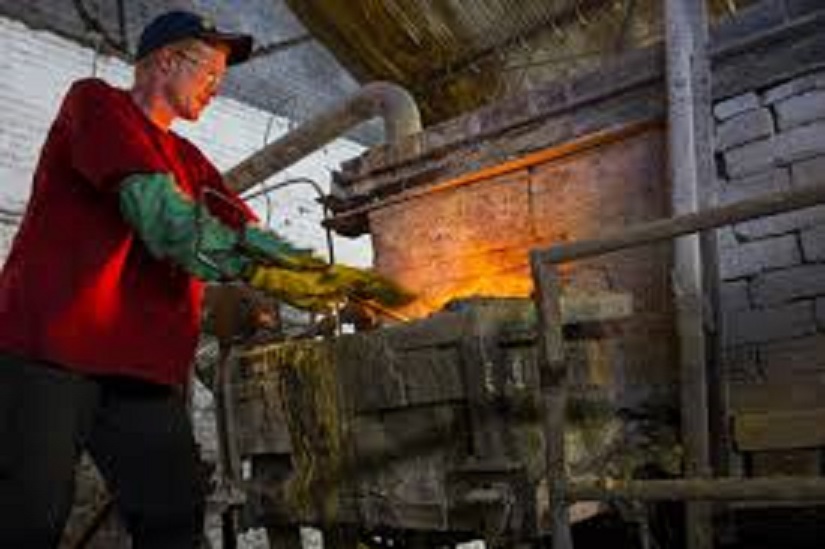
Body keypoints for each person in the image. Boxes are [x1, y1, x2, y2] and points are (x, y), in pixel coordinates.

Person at [0, 10, 407, 548]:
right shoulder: (95, 103)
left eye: (222, 77)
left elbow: (252, 239)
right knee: (27, 519)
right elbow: (165, 222)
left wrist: (335, 281)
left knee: (173, 516)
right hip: (49, 349)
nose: (217, 86)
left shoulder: (190, 161)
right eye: (209, 71)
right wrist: (278, 274)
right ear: (166, 60)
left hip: (139, 368)